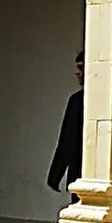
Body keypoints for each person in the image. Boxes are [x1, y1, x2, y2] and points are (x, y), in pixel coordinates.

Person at [46, 48, 84, 198]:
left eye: (81, 68)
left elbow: (67, 140)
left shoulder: (77, 101)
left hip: (81, 171)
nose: (78, 73)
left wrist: (55, 175)